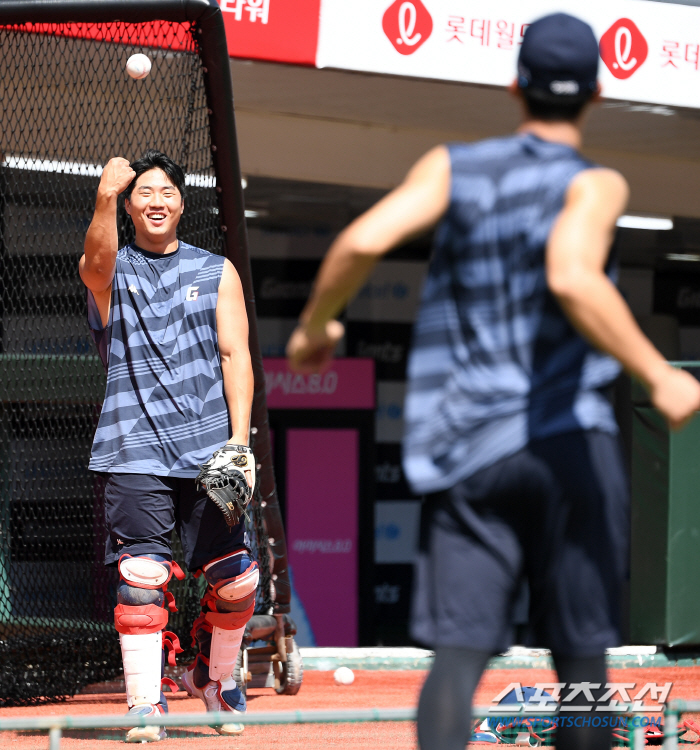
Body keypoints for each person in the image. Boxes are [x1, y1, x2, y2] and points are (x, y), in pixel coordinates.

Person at [286, 14, 700, 750]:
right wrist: (657, 376)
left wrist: (316, 327)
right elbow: (572, 273)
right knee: (580, 661)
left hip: (471, 451)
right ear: (598, 95)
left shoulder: (453, 166)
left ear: (515, 87)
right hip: (569, 447)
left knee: (458, 659)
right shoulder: (596, 183)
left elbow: (362, 239)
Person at [80, 150, 257, 742]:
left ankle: (216, 677)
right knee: (140, 578)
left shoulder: (216, 271)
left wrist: (238, 443)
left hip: (209, 453)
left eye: (167, 193)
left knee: (237, 580)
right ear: (129, 207)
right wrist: (104, 196)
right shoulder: (115, 269)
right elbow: (94, 264)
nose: (156, 201)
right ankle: (144, 705)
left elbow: (236, 356)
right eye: (143, 194)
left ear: (183, 203)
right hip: (132, 449)